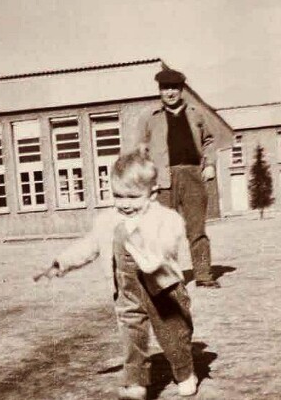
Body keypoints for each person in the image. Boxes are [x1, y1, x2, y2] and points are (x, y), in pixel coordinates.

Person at [35, 150, 197, 399]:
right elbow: (90, 245)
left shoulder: (164, 217)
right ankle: (135, 383)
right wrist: (61, 263)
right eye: (118, 196)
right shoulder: (107, 220)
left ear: (152, 193)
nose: (125, 204)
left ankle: (185, 372)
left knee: (173, 336)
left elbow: (171, 237)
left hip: (164, 290)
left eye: (133, 197)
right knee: (132, 339)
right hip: (127, 292)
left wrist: (153, 250)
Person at [137, 68, 220, 288]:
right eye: (165, 88)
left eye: (174, 88)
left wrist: (210, 165)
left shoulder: (196, 113)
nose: (170, 92)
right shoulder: (149, 117)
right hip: (163, 179)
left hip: (193, 176)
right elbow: (141, 150)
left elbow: (209, 141)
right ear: (159, 91)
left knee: (197, 229)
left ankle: (203, 275)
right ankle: (168, 279)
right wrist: (148, 180)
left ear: (182, 89)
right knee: (164, 231)